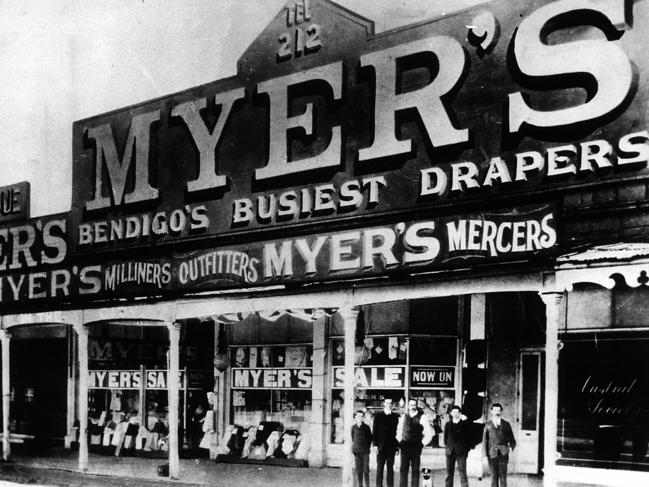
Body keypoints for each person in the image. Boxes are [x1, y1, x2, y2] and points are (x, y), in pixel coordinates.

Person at [396, 398, 434, 487]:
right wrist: (400, 441)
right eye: (410, 405)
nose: (412, 406)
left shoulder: (423, 417)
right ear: (408, 406)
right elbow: (398, 431)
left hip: (416, 447)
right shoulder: (403, 417)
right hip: (405, 446)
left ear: (416, 406)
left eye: (414, 405)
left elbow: (429, 433)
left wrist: (422, 444)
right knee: (403, 470)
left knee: (415, 470)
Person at [482, 403, 516, 487]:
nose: (497, 412)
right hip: (492, 455)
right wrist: (484, 456)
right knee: (494, 478)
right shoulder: (488, 425)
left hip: (503, 455)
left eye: (499, 410)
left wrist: (510, 448)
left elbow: (513, 440)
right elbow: (484, 442)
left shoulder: (506, 425)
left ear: (501, 412)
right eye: (495, 410)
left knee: (503, 478)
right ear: (491, 411)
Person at [372, 398, 399, 487]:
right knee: (380, 468)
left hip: (391, 447)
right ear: (384, 404)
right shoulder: (378, 416)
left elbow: (397, 433)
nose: (389, 405)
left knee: (390, 468)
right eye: (387, 403)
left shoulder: (395, 416)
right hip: (381, 447)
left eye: (391, 403)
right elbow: (375, 431)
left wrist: (397, 447)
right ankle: (379, 485)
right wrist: (375, 445)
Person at [444, 405, 471, 487]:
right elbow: (445, 438)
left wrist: (465, 450)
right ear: (451, 413)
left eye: (457, 412)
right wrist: (448, 448)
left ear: (460, 413)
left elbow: (469, 439)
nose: (455, 414)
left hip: (461, 453)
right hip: (450, 452)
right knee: (449, 473)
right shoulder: (448, 425)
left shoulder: (465, 425)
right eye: (453, 412)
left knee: (463, 473)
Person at [352, 410, 373, 487]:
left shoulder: (366, 427)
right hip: (357, 452)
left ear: (363, 418)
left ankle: (367, 485)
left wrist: (367, 449)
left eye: (361, 416)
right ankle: (360, 485)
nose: (360, 418)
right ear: (355, 417)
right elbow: (353, 438)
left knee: (366, 471)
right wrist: (355, 449)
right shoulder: (353, 427)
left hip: (365, 453)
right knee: (359, 471)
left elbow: (370, 439)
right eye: (358, 416)